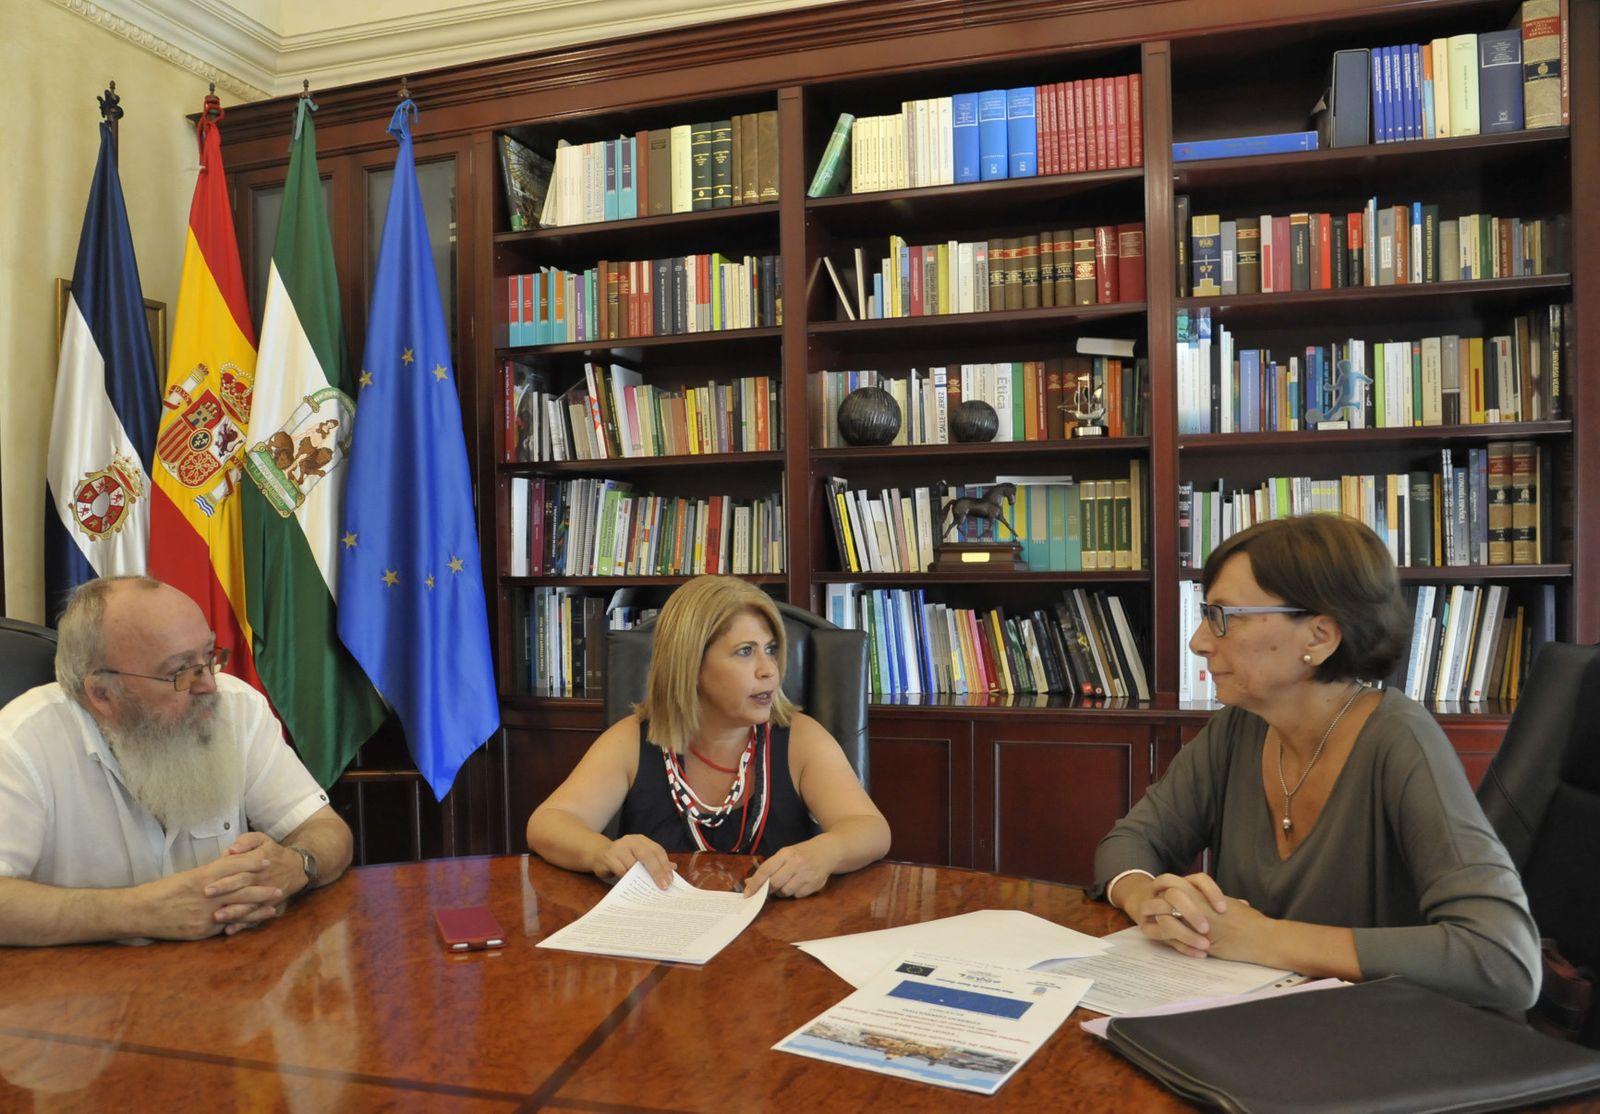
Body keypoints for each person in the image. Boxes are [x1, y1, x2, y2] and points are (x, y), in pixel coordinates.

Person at [1093, 515, 1540, 1011]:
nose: (1198, 641)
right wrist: (1150, 900)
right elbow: (1132, 841)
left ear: (1320, 637)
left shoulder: (1401, 741)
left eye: (1224, 616)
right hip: (1272, 1024)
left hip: (1382, 1033)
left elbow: (1503, 958)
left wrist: (1262, 937)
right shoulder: (1240, 727)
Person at [0, 576, 353, 946]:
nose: (209, 685)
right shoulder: (20, 742)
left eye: (210, 657)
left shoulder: (237, 708)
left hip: (223, 968)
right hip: (78, 977)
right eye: (180, 672)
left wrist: (296, 865)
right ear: (103, 693)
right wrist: (135, 912)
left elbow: (327, 830)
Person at [527, 575, 890, 897]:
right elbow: (549, 822)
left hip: (776, 937)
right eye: (745, 652)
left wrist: (826, 852)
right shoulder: (632, 740)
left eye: (771, 650)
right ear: (691, 664)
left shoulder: (801, 739)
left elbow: (871, 829)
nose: (769, 670)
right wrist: (601, 852)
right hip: (666, 938)